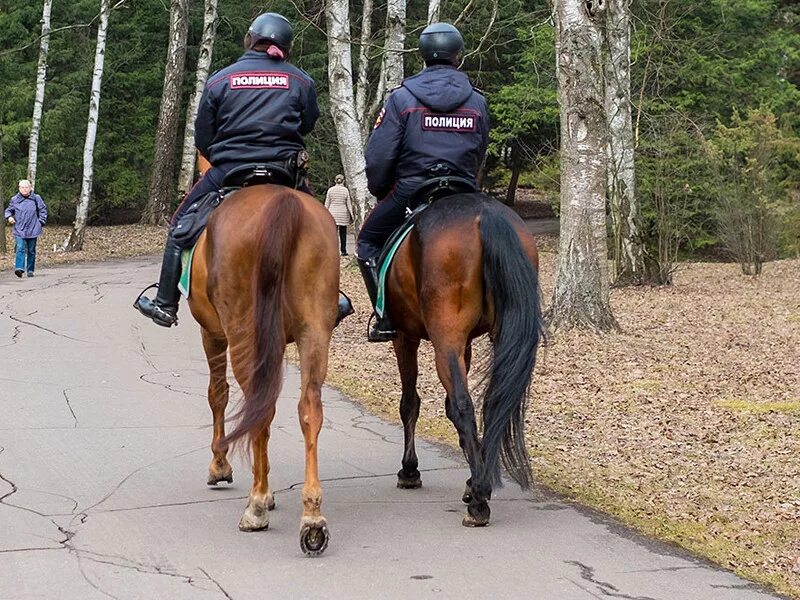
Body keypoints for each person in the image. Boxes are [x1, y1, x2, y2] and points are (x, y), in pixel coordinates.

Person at [135, 12, 320, 327]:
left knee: (179, 227)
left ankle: (165, 303)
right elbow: (308, 123)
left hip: (231, 170)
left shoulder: (221, 79)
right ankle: (331, 297)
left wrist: (220, 156)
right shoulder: (301, 80)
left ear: (250, 39)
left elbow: (204, 134)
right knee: (320, 224)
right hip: (284, 171)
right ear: (286, 47)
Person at [356, 23, 490, 342]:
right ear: (458, 55)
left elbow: (379, 156)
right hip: (463, 190)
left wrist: (381, 189)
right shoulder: (477, 101)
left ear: (423, 54)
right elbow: (480, 150)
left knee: (367, 242)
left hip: (413, 189)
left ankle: (385, 317)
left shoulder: (402, 98)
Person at [5, 179, 48, 278]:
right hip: (19, 228)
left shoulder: (36, 198)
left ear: (30, 188)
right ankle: (19, 268)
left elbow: (43, 210)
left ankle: (30, 270)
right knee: (20, 248)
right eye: (22, 187)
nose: (24, 189)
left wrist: (41, 222)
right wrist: (9, 217)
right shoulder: (15, 199)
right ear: (19, 188)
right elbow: (9, 210)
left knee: (31, 250)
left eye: (26, 187)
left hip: (33, 228)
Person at [325, 174, 354, 256]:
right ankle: (343, 251)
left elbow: (327, 203)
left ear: (335, 181)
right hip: (343, 215)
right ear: (343, 181)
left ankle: (332, 250)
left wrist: (324, 214)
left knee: (333, 234)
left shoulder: (330, 190)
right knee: (343, 233)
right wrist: (352, 215)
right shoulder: (345, 190)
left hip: (332, 214)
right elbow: (348, 204)